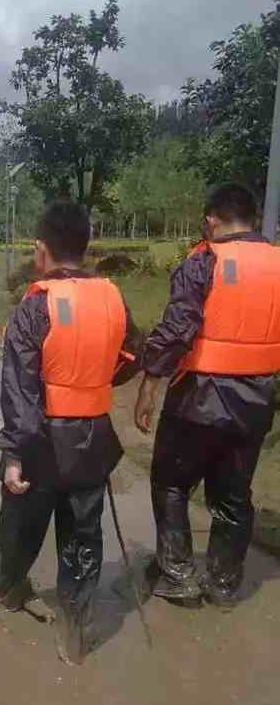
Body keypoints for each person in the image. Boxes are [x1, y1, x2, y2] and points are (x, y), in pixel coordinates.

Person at [0, 202, 143, 665]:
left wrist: (13, 456)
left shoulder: (35, 304)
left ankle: (8, 589)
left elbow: (19, 388)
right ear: (85, 245)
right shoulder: (113, 298)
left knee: (18, 525)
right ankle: (73, 631)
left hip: (39, 443)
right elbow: (132, 355)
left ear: (41, 249)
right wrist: (91, 385)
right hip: (92, 443)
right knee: (81, 537)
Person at [135, 183, 280, 610]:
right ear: (251, 220)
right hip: (255, 401)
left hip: (198, 399)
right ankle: (223, 583)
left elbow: (179, 326)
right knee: (235, 495)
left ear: (212, 219)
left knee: (172, 483)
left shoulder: (204, 261)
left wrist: (149, 382)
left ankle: (177, 574)